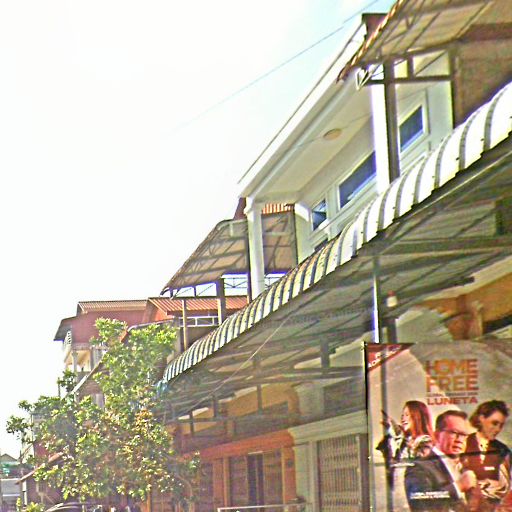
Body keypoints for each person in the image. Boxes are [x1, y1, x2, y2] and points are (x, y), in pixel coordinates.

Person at [405, 410, 477, 511]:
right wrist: (457, 487)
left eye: (464, 435)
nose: (460, 440)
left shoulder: (464, 469)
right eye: (454, 433)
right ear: (437, 435)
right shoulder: (419, 467)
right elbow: (422, 505)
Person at [462, 400, 511, 512]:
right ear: (481, 418)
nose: (498, 429)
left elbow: (504, 487)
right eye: (494, 423)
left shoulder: (503, 451)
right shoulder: (462, 444)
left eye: (501, 425)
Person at [378, 401, 434, 488]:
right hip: (399, 488)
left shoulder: (425, 440)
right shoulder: (405, 440)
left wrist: (399, 436)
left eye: (407, 415)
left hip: (415, 488)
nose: (403, 419)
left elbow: (417, 461)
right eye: (402, 415)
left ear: (417, 417)